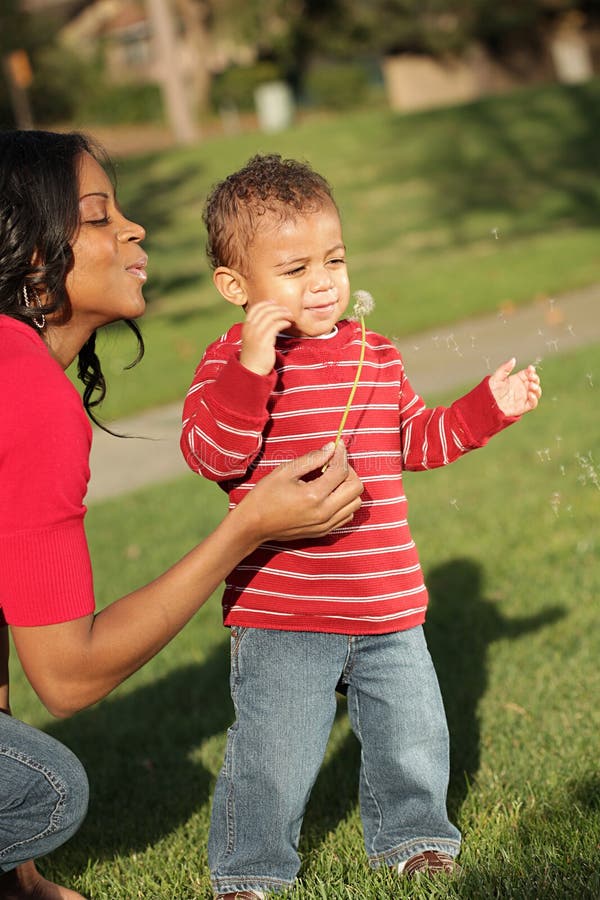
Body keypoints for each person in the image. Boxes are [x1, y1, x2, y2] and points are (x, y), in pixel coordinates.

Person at [0, 131, 363, 900]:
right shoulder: (24, 390)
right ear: (35, 255)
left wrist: (17, 877)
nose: (132, 229)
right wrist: (246, 528)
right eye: (99, 216)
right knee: (45, 790)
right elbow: (65, 677)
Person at [180, 153, 542, 899]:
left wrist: (486, 409)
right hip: (284, 611)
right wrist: (250, 366)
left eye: (334, 259)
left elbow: (413, 441)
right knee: (272, 757)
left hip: (387, 606)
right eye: (294, 269)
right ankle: (249, 872)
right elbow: (213, 454)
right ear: (235, 287)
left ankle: (414, 838)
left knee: (413, 739)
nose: (322, 282)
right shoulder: (226, 364)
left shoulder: (374, 356)